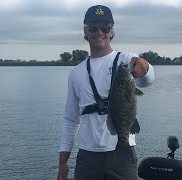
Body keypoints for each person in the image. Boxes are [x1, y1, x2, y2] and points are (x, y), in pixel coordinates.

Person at [57, 5, 155, 180]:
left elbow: (147, 80)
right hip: (88, 156)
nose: (99, 32)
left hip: (123, 156)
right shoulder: (76, 73)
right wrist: (63, 163)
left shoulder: (125, 60)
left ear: (112, 31)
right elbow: (70, 120)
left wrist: (144, 65)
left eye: (105, 27)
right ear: (85, 32)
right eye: (93, 27)